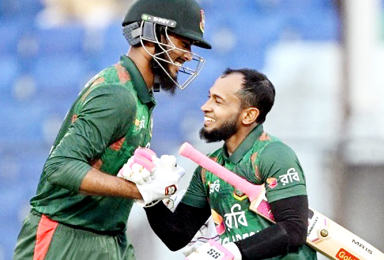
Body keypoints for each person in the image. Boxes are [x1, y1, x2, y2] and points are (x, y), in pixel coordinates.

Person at [13, 0, 211, 259]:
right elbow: (60, 167)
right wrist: (138, 190)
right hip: (64, 239)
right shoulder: (118, 94)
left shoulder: (138, 95)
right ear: (151, 34)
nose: (187, 54)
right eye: (183, 42)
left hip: (107, 235)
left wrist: (147, 179)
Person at [139, 68, 318, 259]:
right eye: (209, 97)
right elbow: (178, 235)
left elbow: (294, 229)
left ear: (248, 116)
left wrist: (231, 252)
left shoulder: (274, 154)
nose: (205, 107)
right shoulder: (208, 167)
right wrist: (151, 197)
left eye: (218, 101)